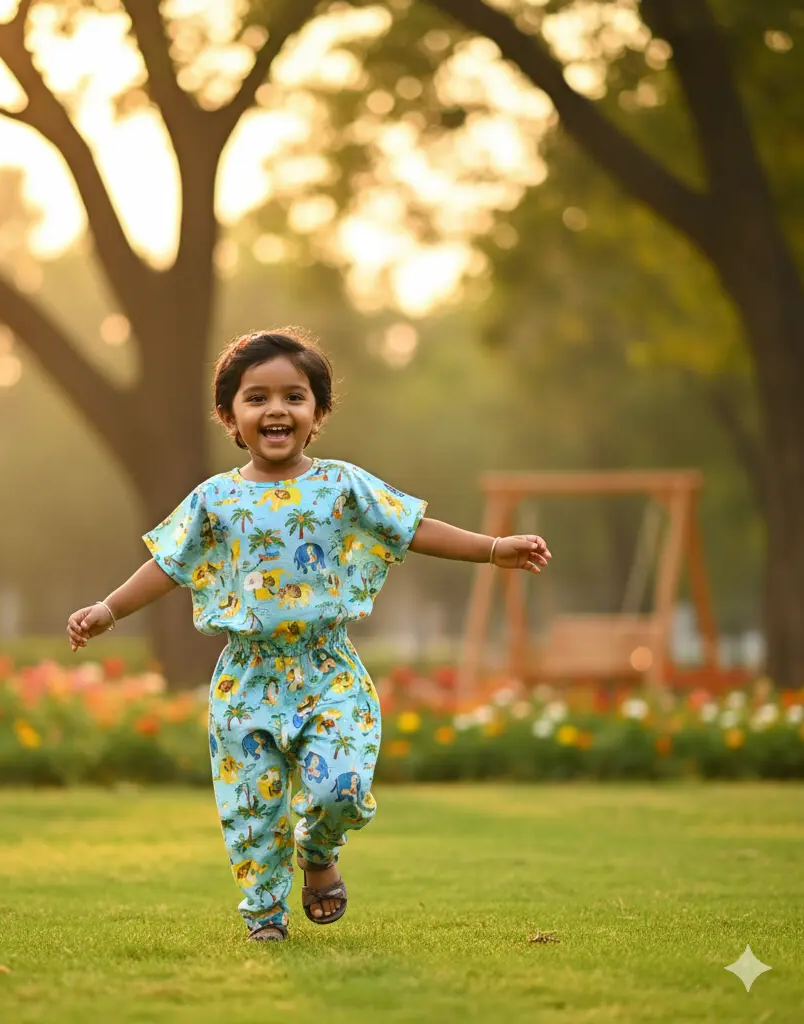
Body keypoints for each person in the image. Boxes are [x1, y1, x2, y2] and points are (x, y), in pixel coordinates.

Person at [66, 327, 551, 942]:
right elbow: (167, 565)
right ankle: (265, 917)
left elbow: (411, 528)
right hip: (246, 678)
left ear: (318, 413)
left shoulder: (342, 486)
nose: (277, 410)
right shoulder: (214, 499)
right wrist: (107, 610)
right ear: (230, 416)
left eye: (294, 397)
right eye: (257, 398)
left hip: (328, 670)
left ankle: (318, 852)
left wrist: (494, 548)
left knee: (341, 786)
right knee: (252, 807)